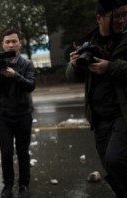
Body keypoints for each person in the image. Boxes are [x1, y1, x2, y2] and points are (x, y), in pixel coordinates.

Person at [66, 1, 127, 197]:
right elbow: (72, 77)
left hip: (121, 113)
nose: (122, 20)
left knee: (115, 159)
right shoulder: (88, 42)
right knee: (109, 166)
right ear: (99, 18)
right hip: (98, 118)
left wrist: (109, 67)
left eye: (125, 14)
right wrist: (74, 64)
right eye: (116, 16)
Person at [0, 28, 35, 198]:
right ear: (3, 44)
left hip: (23, 115)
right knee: (6, 152)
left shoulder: (26, 64)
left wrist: (14, 75)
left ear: (19, 43)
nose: (11, 44)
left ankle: (24, 186)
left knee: (22, 151)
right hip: (4, 115)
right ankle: (8, 185)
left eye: (14, 41)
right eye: (8, 42)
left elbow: (30, 86)